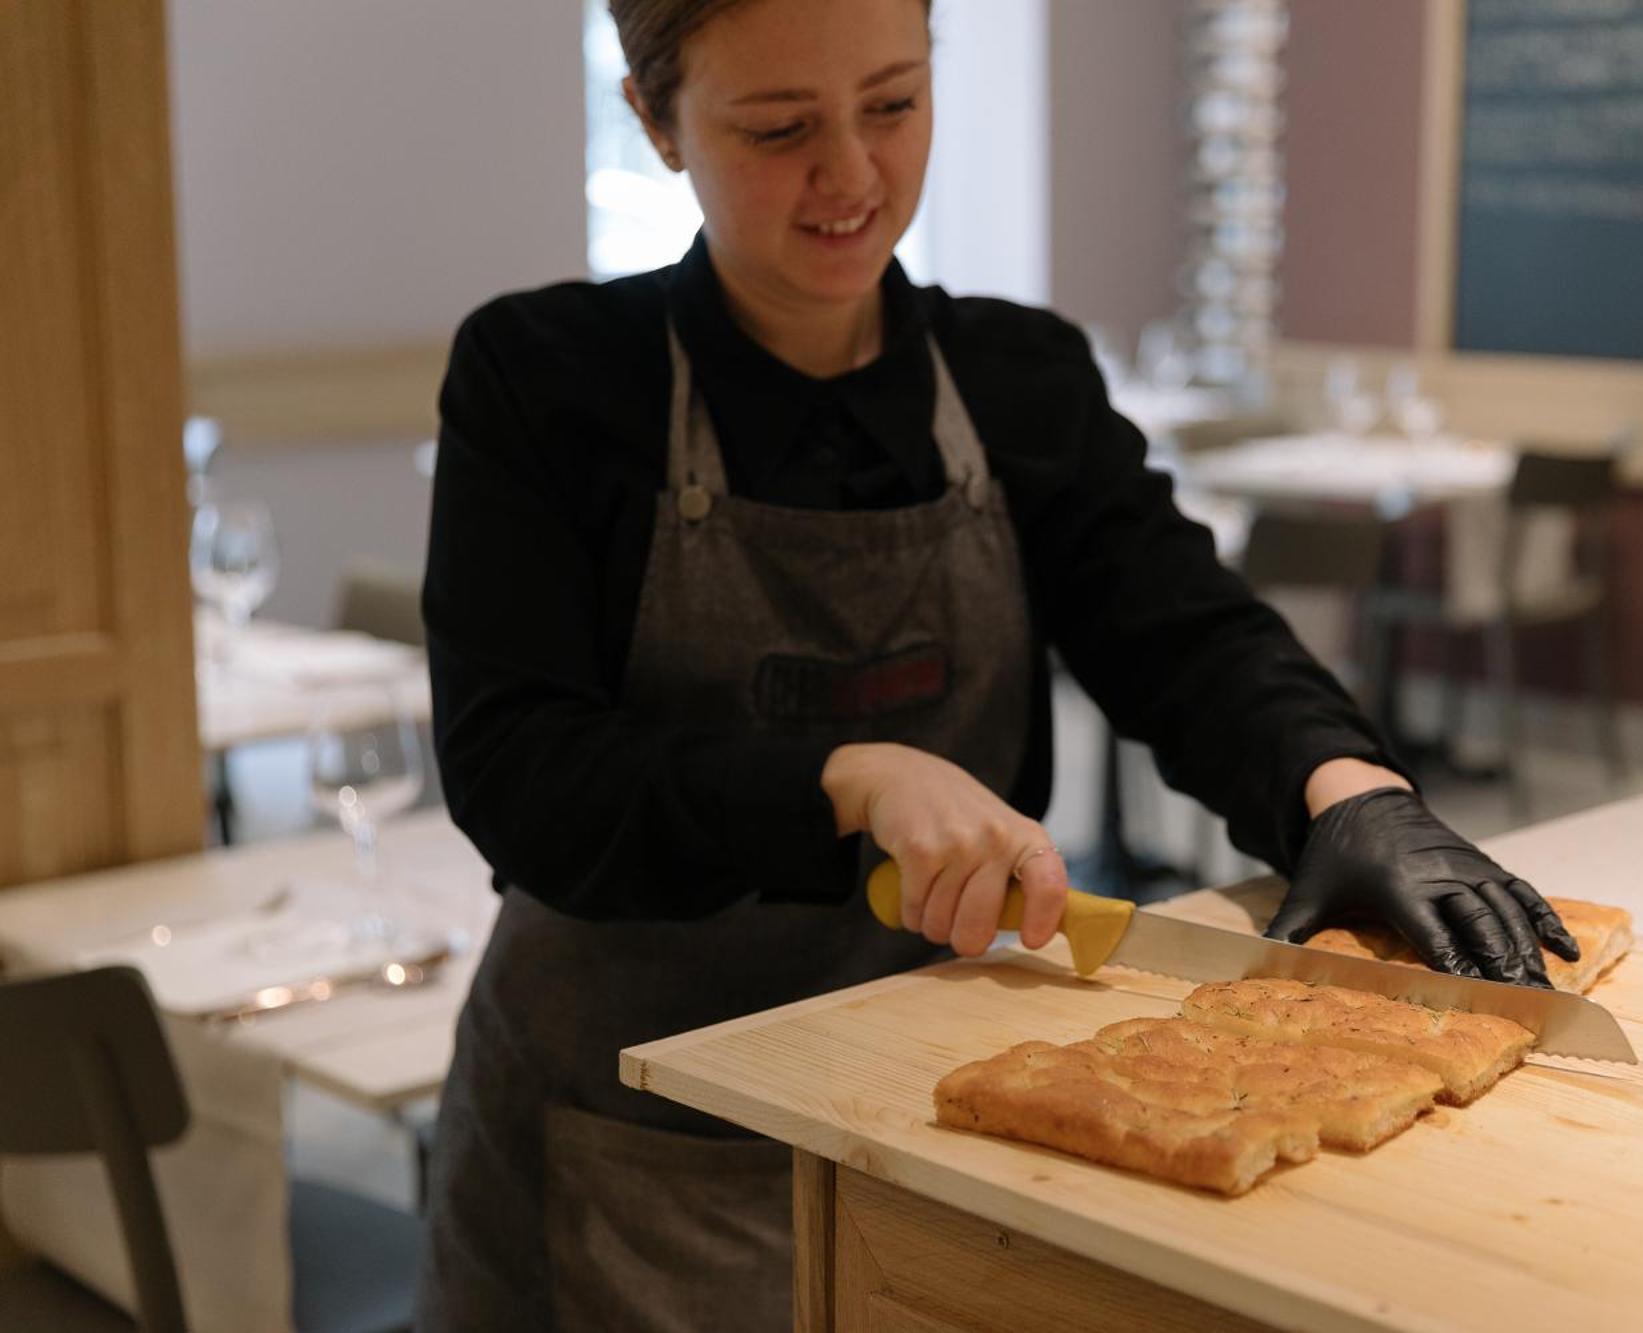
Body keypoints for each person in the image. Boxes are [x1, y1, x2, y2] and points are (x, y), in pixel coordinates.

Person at [415, 0, 1578, 1328]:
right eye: (780, 127)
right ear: (653, 119)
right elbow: (526, 775)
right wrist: (844, 778)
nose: (850, 173)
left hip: (930, 1109)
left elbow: (1185, 630)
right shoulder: (547, 381)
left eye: (895, 104)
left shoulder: (1017, 379)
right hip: (623, 1138)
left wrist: (1345, 788)